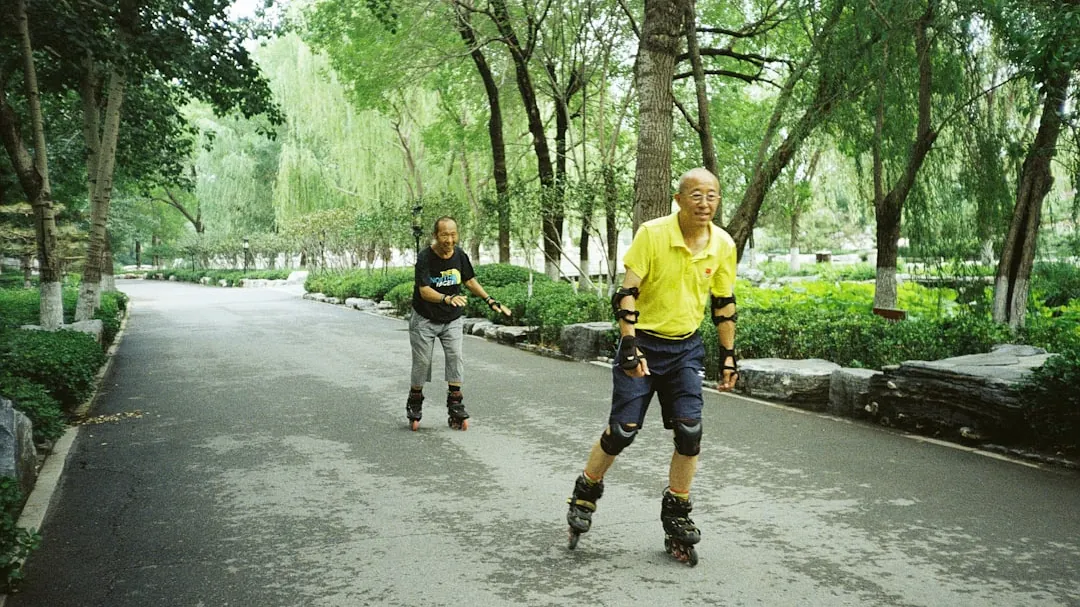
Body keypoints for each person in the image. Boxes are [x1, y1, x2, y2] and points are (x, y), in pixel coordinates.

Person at [564, 167, 739, 565]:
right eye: (696, 195)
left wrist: (728, 355)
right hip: (642, 343)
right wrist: (628, 343)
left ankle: (676, 510)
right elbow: (628, 292)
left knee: (690, 431)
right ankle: (586, 490)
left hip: (686, 350)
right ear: (678, 200)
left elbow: (723, 305)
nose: (705, 203)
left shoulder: (723, 244)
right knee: (623, 431)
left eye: (712, 195)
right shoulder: (653, 234)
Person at [407, 216, 510, 431]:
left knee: (455, 357)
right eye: (445, 234)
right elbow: (424, 291)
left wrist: (489, 300)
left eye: (454, 234)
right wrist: (446, 298)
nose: (450, 239)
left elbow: (469, 280)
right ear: (435, 235)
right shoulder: (425, 257)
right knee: (422, 363)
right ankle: (415, 401)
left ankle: (455, 404)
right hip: (424, 318)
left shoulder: (460, 255)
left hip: (451, 318)